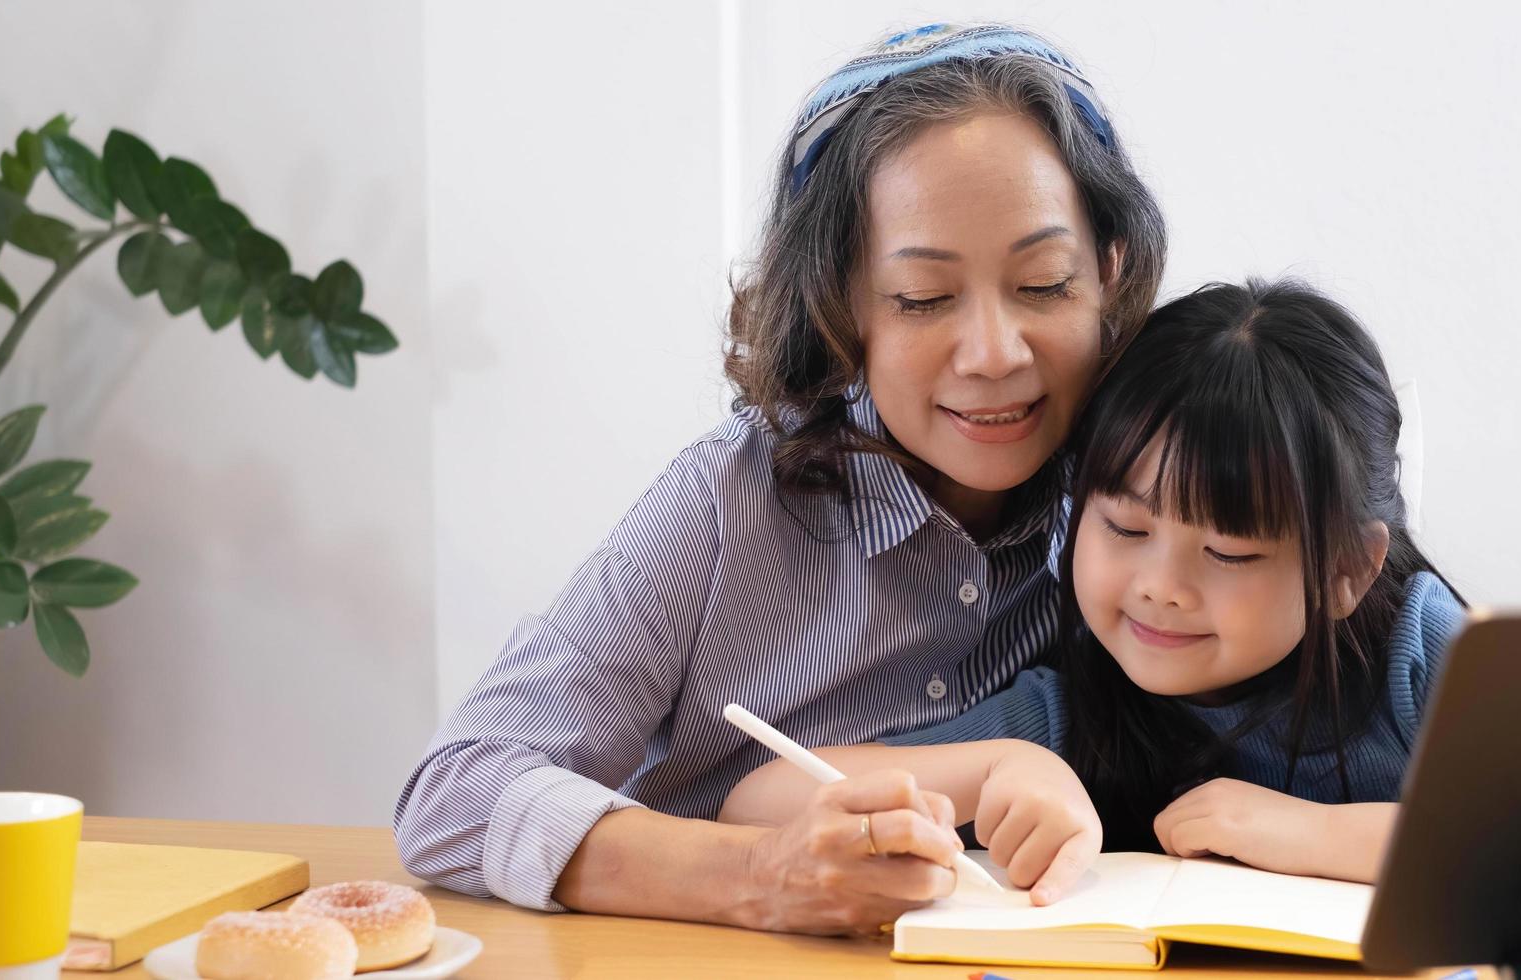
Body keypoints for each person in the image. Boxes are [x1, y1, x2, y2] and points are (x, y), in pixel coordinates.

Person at [393, 23, 1167, 936]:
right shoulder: (728, 504)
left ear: (1109, 275)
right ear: (840, 304)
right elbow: (454, 794)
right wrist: (761, 876)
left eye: (1044, 284)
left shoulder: (1140, 502)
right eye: (922, 298)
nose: (995, 355)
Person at [720, 279, 1465, 904]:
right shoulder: (1076, 710)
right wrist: (996, 768)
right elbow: (756, 808)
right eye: (1126, 529)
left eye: (1228, 552)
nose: (1162, 589)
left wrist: (1313, 834)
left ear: (1348, 571)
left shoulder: (1423, 651)